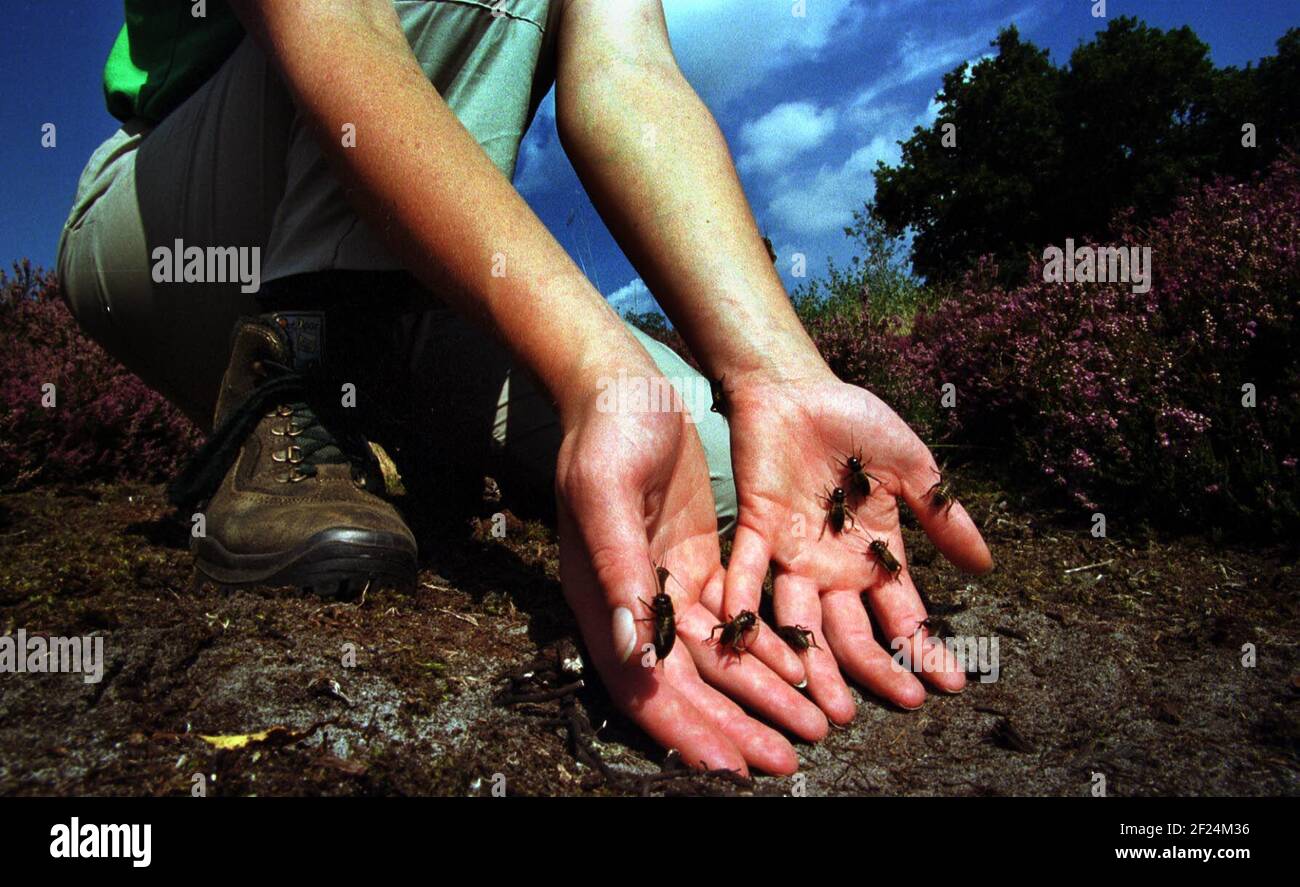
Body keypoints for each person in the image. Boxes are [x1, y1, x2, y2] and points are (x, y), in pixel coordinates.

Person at [58, 0, 993, 777]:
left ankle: (390, 429)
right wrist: (591, 368)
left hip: (415, 275)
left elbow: (628, 81)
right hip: (188, 227)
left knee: (709, 480)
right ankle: (291, 379)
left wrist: (778, 379)